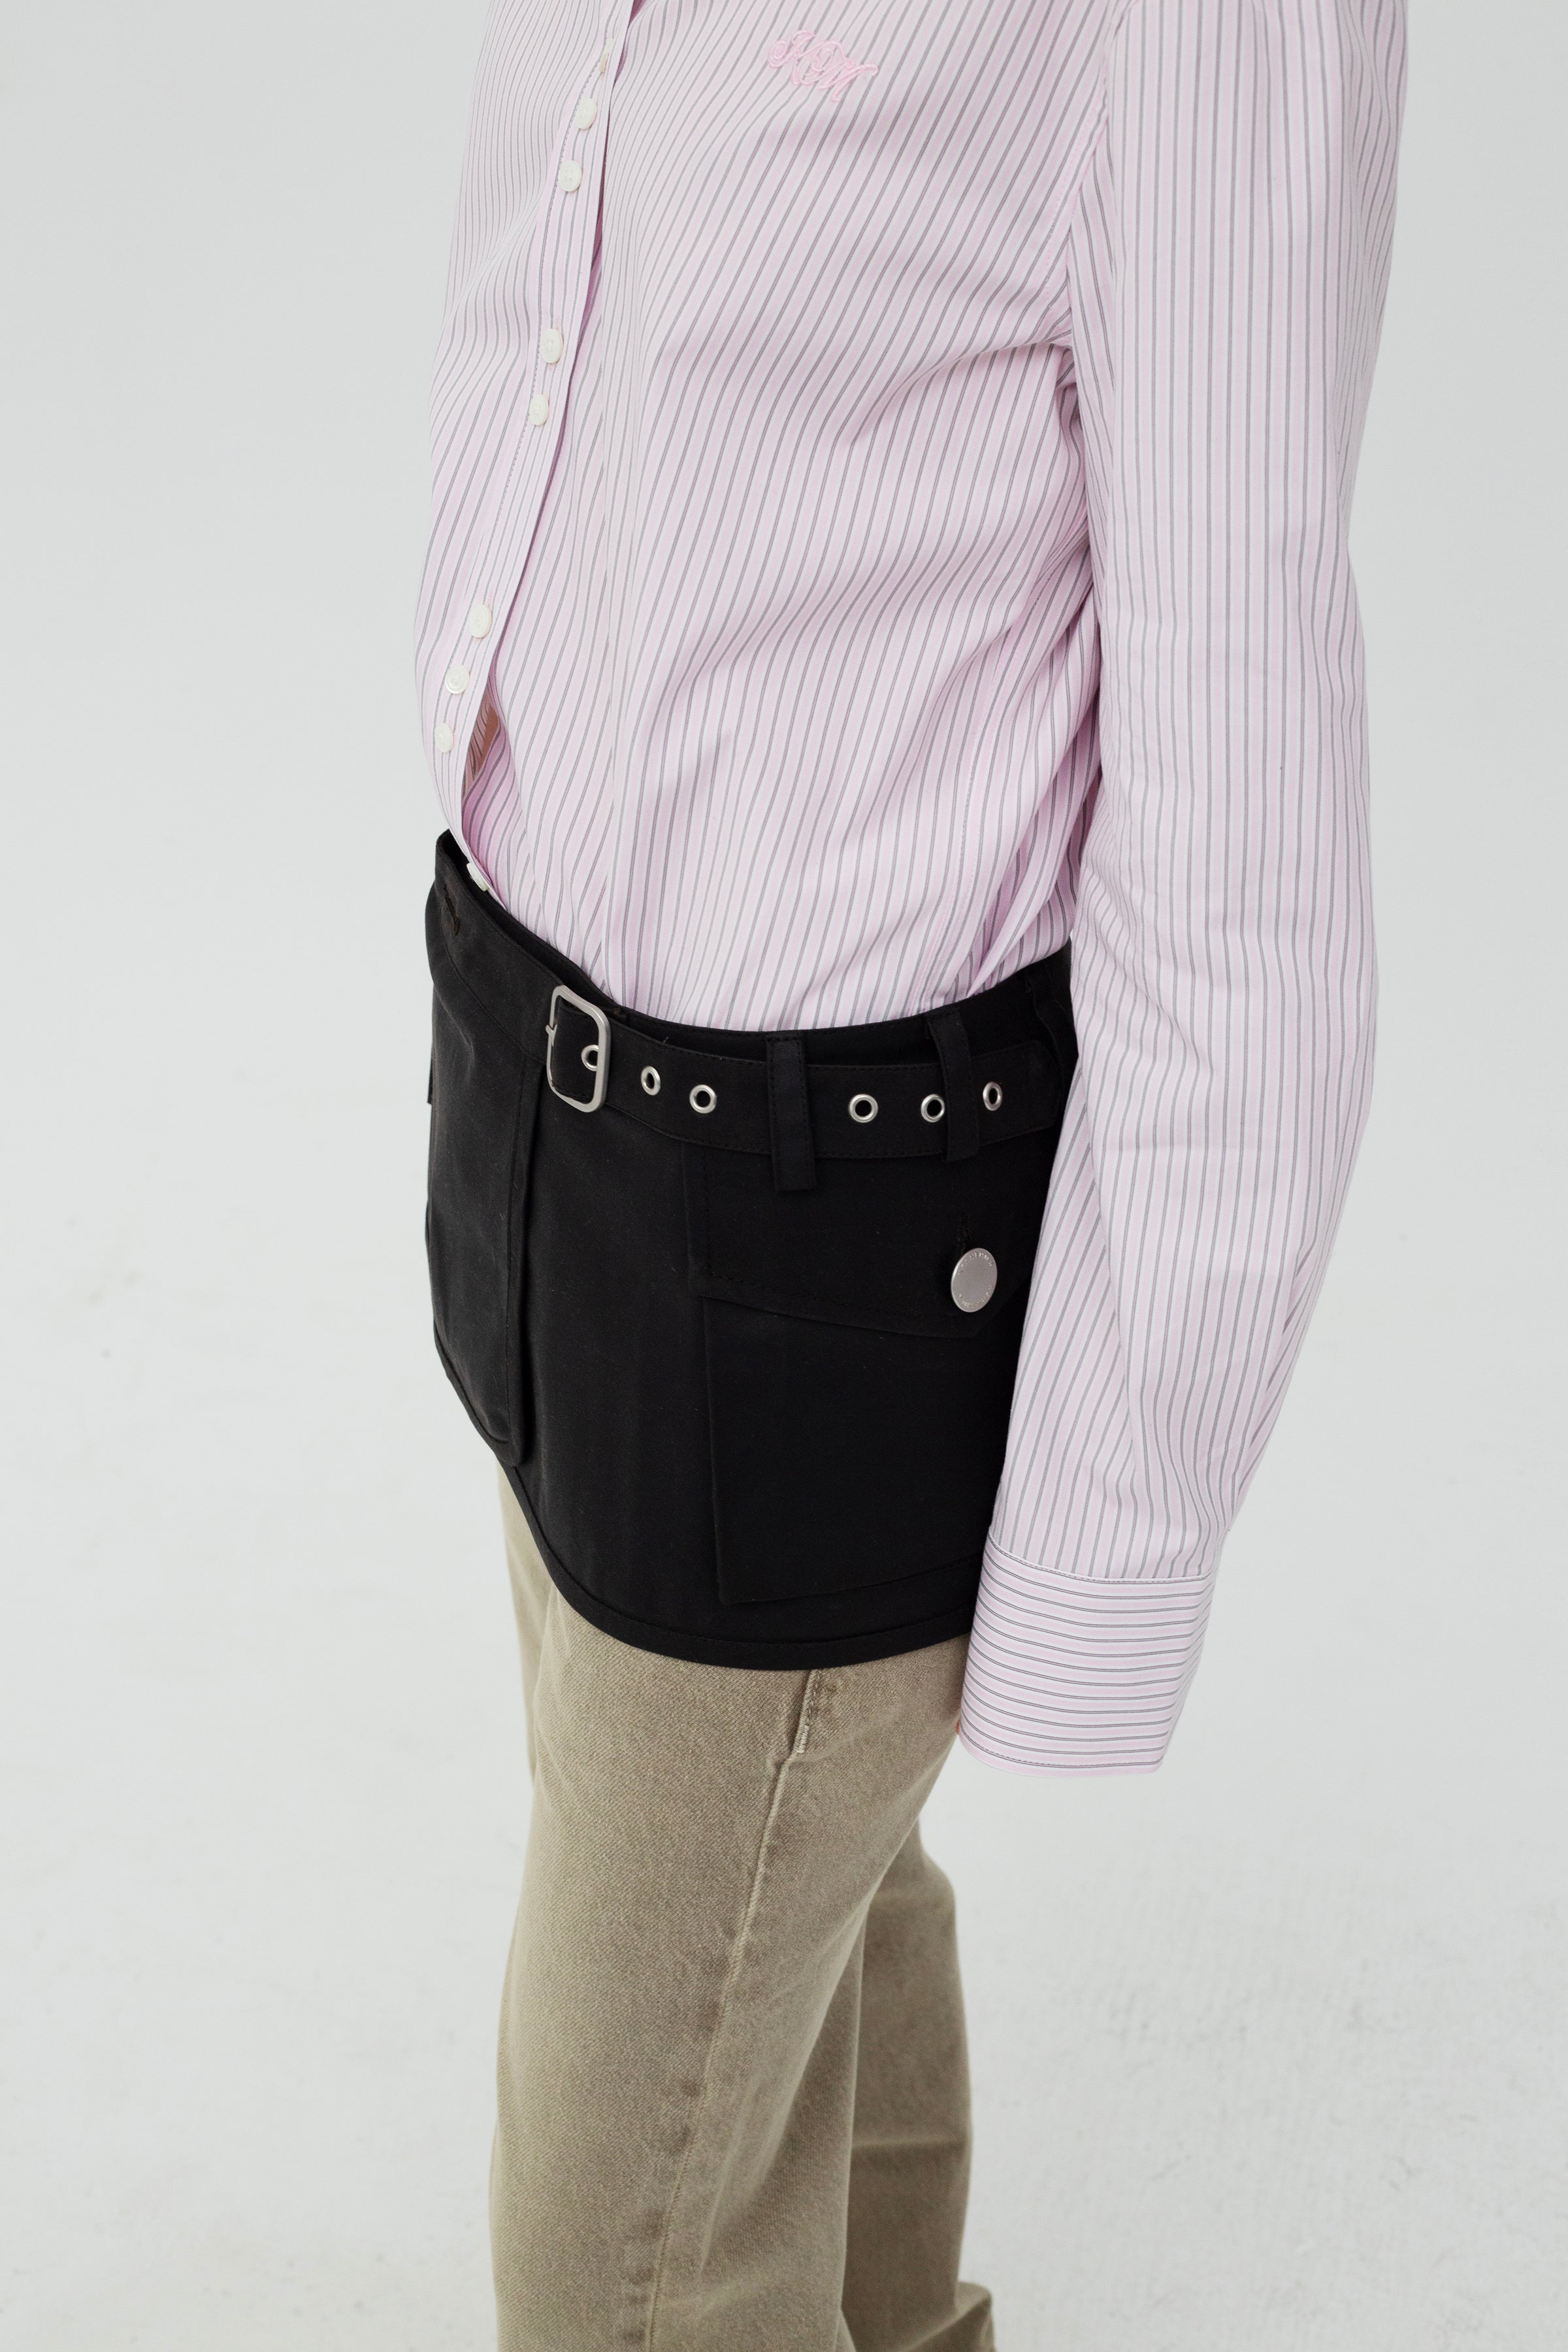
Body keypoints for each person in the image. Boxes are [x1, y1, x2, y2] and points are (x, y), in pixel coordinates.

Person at [414, 2, 1407, 2343]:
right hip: (538, 1099)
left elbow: (1244, 819)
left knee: (616, 2265)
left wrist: (1098, 1541)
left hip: (816, 1227)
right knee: (805, 1905)